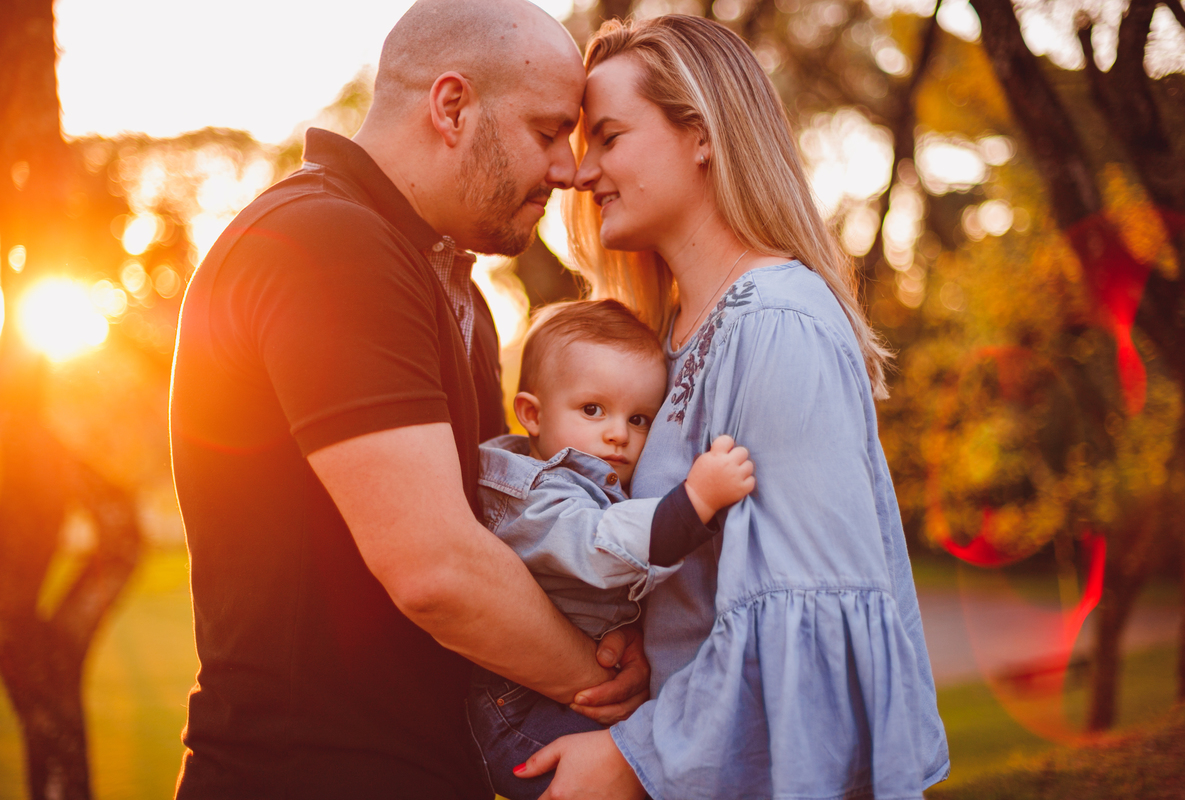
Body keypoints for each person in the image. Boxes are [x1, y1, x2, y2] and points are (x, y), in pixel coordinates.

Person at [168, 2, 649, 797]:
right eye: (546, 131)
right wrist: (608, 691)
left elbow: (504, 530)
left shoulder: (442, 279)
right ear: (452, 106)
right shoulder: (327, 244)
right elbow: (437, 568)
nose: (568, 171)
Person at [516, 15, 951, 800]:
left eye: (608, 136)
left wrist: (631, 760)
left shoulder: (778, 324)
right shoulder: (668, 341)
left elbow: (803, 623)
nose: (581, 174)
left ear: (701, 135)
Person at [466, 299, 755, 799]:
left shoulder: (588, 480)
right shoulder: (533, 496)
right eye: (593, 409)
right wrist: (695, 503)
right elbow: (597, 546)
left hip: (566, 689)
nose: (618, 433)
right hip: (517, 706)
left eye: (640, 418)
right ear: (532, 414)